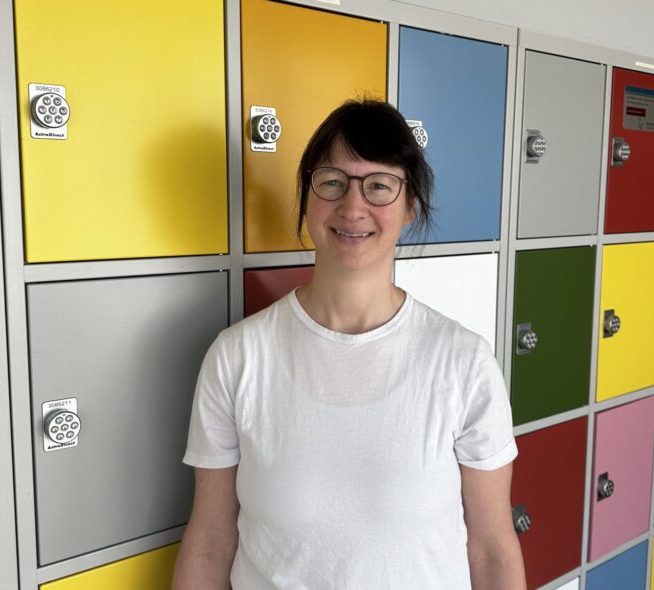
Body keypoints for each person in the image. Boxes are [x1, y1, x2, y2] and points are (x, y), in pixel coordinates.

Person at [172, 99, 526, 589]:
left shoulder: (463, 362)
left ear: (410, 208)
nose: (353, 207)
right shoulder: (237, 358)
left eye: (379, 185)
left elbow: (491, 549)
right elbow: (211, 542)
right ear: (307, 199)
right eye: (332, 182)